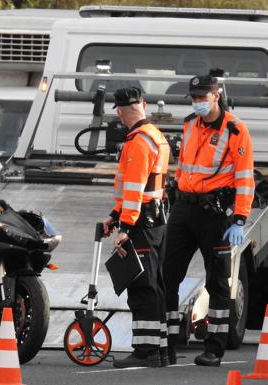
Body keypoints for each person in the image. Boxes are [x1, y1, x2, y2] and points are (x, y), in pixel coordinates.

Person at [164, 74, 255, 366]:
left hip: (213, 214)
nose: (198, 102)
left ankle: (214, 348)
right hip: (183, 208)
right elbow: (184, 167)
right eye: (194, 98)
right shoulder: (190, 123)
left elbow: (244, 178)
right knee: (168, 276)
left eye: (203, 97)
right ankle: (167, 343)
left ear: (216, 96)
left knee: (217, 283)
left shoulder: (235, 130)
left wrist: (240, 218)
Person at [101, 87, 170, 368]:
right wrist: (115, 215)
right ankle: (160, 349)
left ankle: (146, 351)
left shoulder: (139, 142)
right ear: (143, 103)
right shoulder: (155, 136)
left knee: (141, 285)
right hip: (155, 219)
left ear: (118, 111)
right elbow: (144, 188)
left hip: (141, 222)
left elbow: (134, 189)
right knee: (155, 283)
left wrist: (124, 226)